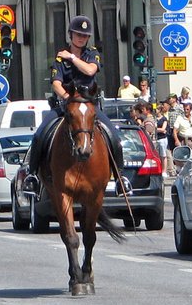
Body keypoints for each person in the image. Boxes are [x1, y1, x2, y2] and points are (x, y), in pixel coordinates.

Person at [24, 15, 127, 196]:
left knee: (115, 138)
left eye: (85, 35)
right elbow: (56, 83)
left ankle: (121, 178)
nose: (81, 38)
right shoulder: (59, 58)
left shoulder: (91, 53)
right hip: (66, 105)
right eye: (78, 34)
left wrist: (71, 57)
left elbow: (90, 70)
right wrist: (67, 98)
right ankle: (32, 176)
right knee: (39, 136)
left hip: (88, 105)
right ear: (70, 35)